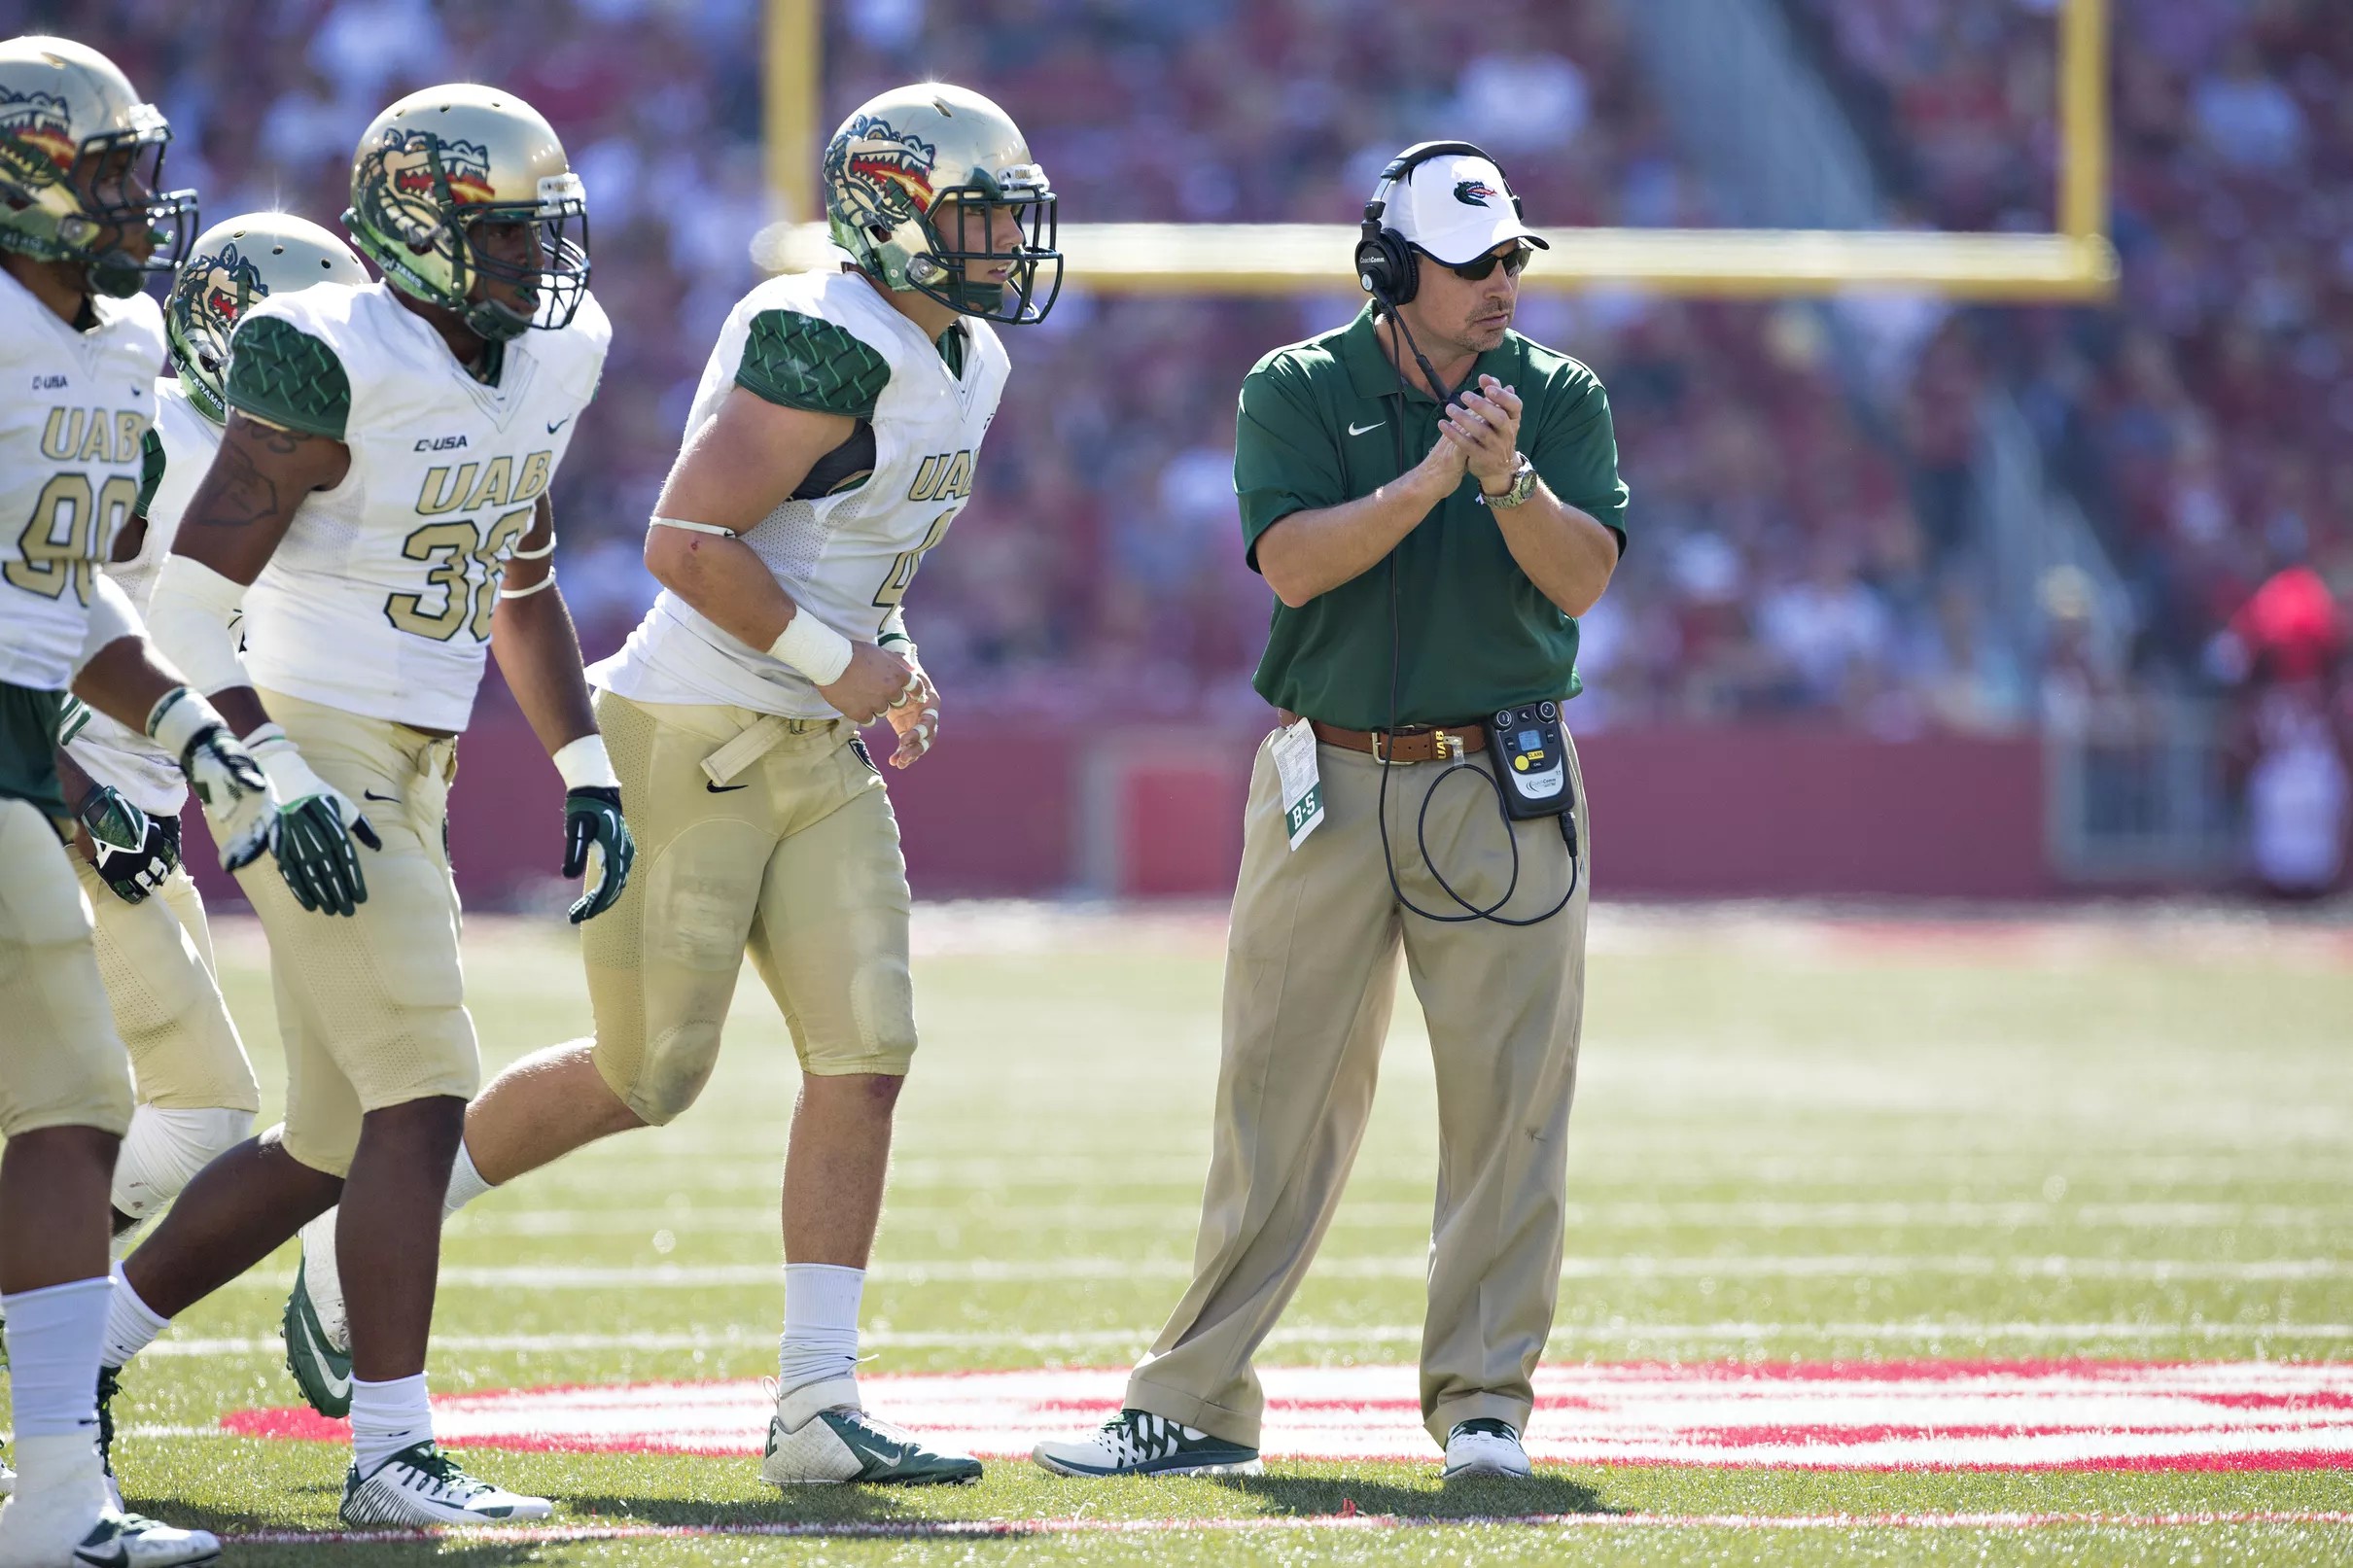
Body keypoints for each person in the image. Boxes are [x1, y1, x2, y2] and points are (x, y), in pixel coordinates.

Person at [281, 80, 1061, 1489]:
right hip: (689, 730)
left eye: (1011, 215)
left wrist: (881, 658)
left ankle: (816, 1404)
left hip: (814, 743)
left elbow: (845, 543)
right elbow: (686, 539)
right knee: (649, 1072)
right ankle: (355, 1248)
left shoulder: (972, 356)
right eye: (979, 214)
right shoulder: (824, 336)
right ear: (892, 214)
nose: (1007, 242)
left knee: (868, 1048)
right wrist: (843, 661)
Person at [1035, 142, 1628, 1481]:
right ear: (1391, 268)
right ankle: (1194, 1398)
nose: (1501, 285)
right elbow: (1294, 565)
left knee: (1511, 1103)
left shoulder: (1557, 397)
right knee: (1272, 1097)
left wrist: (1509, 479)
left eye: (1510, 259)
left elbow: (1583, 577)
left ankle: (1484, 1406)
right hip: (1331, 773)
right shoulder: (1295, 386)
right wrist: (1432, 480)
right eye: (1472, 264)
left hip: (1502, 780)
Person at [94, 82, 634, 1530]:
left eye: (542, 231)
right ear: (412, 226)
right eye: (502, 233)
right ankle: (392, 1453)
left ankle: (79, 1350)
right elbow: (186, 612)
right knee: (424, 1090)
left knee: (330, 1139)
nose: (535, 261)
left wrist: (585, 763)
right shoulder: (324, 353)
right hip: (303, 736)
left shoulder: (558, 350)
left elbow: (520, 575)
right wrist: (272, 770)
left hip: (418, 755)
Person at [0, 32, 263, 1565]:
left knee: (76, 1109)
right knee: (76, 1106)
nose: (129, 202)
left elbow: (65, 584)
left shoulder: (118, 343)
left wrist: (188, 729)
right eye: (101, 173)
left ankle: (52, 1493)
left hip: (22, 751)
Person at [52, 213, 372, 1245]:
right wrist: (82, 796)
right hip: (63, 804)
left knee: (128, 1106)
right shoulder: (155, 435)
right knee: (199, 1112)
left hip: (131, 805)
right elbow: (24, 613)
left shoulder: (287, 467)